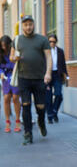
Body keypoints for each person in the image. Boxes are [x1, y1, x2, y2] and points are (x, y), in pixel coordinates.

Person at [10, 15, 52, 145]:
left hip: (39, 78)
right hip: (23, 78)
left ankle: (41, 122)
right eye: (25, 25)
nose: (28, 27)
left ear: (33, 25)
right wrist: (14, 58)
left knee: (41, 107)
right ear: (22, 26)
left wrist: (48, 73)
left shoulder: (42, 40)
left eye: (30, 24)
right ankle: (27, 133)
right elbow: (11, 57)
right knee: (26, 106)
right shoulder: (17, 40)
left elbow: (49, 57)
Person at [0, 35, 21, 133]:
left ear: (9, 45)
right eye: (2, 46)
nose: (4, 47)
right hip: (5, 77)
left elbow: (18, 63)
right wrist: (1, 73)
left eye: (5, 45)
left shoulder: (14, 51)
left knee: (16, 98)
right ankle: (7, 121)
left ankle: (17, 120)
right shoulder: (1, 53)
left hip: (15, 75)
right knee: (6, 98)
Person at [45, 34, 68, 124]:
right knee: (48, 97)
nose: (52, 43)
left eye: (54, 42)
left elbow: (63, 64)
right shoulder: (45, 51)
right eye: (50, 41)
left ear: (56, 42)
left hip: (57, 75)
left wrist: (66, 75)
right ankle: (50, 116)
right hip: (47, 75)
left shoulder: (60, 51)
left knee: (58, 95)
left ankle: (54, 111)